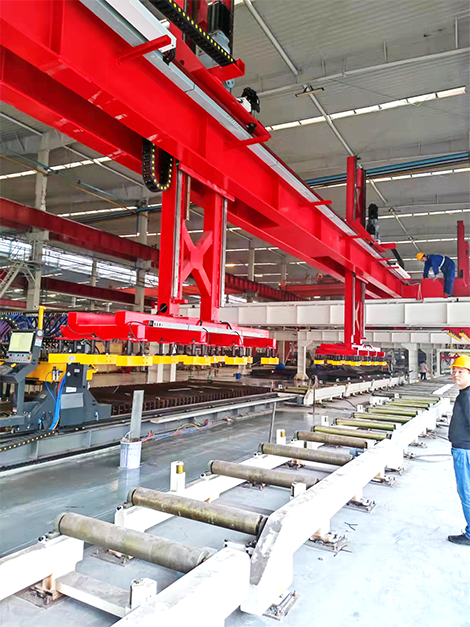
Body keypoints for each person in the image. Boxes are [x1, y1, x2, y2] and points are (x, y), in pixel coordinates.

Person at [448, 355, 470, 545]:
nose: (456, 375)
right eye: (454, 371)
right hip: (464, 449)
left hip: (465, 451)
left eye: (461, 371)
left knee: (466, 493)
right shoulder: (465, 394)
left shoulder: (467, 396)